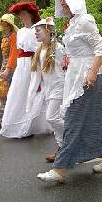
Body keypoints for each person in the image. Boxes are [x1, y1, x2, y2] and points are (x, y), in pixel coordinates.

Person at [37, 0, 102, 183]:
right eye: (62, 1)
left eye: (65, 1)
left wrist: (91, 72)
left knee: (73, 120)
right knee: (97, 119)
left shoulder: (85, 21)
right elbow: (81, 49)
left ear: (74, 2)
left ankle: (60, 170)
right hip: (77, 75)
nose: (62, 5)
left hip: (87, 78)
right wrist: (68, 58)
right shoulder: (73, 23)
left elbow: (101, 49)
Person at [0, 1, 41, 138]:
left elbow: (40, 48)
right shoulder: (21, 31)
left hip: (33, 63)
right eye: (20, 15)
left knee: (32, 92)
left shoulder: (37, 29)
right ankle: (20, 123)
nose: (21, 17)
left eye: (23, 14)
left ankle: (31, 123)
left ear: (29, 15)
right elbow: (17, 51)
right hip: (22, 65)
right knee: (19, 92)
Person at [28, 17, 66, 162]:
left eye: (38, 30)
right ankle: (63, 149)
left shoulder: (58, 48)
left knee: (52, 118)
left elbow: (65, 68)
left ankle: (74, 137)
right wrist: (33, 93)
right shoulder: (39, 50)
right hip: (49, 89)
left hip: (59, 88)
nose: (36, 33)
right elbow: (38, 75)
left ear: (48, 31)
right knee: (53, 120)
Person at [0, 13, 18, 127]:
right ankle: (4, 117)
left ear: (9, 25)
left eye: (5, 24)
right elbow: (5, 57)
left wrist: (7, 69)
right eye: (2, 24)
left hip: (12, 68)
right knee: (2, 92)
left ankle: (7, 118)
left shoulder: (13, 36)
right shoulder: (5, 37)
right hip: (5, 66)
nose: (3, 26)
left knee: (2, 92)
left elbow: (14, 54)